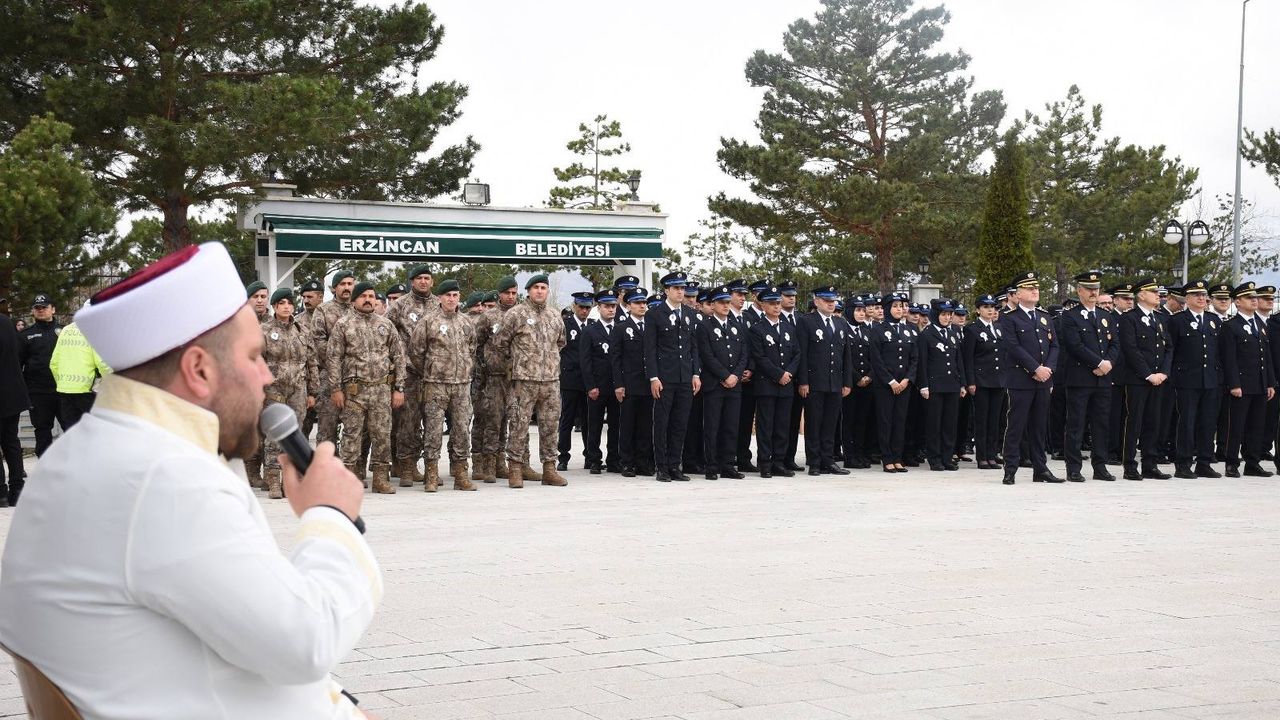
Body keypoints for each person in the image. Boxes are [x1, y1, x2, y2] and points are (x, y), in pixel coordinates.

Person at [0, 242, 381, 719]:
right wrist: (331, 516)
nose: (266, 376)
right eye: (254, 356)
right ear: (199, 369)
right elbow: (307, 642)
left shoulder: (88, 451)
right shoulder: (164, 479)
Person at [328, 281, 406, 494]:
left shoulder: (385, 324)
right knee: (351, 436)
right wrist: (336, 389)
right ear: (354, 300)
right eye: (363, 296)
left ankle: (380, 479)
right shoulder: (343, 325)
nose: (368, 300)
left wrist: (399, 388)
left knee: (382, 435)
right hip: (355, 391)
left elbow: (399, 357)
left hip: (381, 390)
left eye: (371, 296)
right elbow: (333, 358)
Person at [493, 274, 568, 487]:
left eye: (543, 287)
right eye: (536, 287)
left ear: (548, 291)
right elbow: (500, 343)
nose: (540, 291)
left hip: (550, 380)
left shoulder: (554, 315)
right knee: (519, 424)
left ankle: (549, 469)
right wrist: (519, 362)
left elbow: (561, 342)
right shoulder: (516, 314)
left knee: (550, 425)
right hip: (524, 381)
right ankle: (515, 469)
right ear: (528, 291)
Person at [410, 280, 479, 492]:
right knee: (433, 430)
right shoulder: (428, 321)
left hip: (461, 385)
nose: (451, 299)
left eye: (455, 295)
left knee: (461, 430)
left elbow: (472, 349)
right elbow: (416, 351)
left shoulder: (466, 322)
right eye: (447, 295)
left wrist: (464, 368)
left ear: (459, 298)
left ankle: (461, 474)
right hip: (436, 385)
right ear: (440, 297)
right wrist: (432, 369)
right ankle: (431, 475)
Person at [998, 272, 1061, 485]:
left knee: (1039, 426)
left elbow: (1054, 345)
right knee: (1016, 425)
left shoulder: (1045, 317)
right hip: (1021, 380)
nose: (1035, 291)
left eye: (1036, 288)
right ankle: (1010, 469)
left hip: (1043, 380)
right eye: (1029, 288)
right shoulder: (1009, 318)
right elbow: (1012, 346)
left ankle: (1040, 469)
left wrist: (1048, 368)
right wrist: (1035, 368)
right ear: (1017, 294)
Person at [1059, 271, 1119, 482]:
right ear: (1079, 291)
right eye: (1089, 289)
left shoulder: (1106, 316)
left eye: (1096, 289)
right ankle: (1073, 468)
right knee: (1076, 425)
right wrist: (1098, 363)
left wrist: (1108, 363)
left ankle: (1100, 466)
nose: (1094, 292)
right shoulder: (1070, 316)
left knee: (1101, 424)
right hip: (1080, 378)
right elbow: (1074, 345)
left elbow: (1115, 343)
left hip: (1103, 379)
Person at [260, 288, 319, 499]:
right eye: (281, 303)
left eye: (289, 303)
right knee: (273, 437)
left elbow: (311, 362)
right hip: (274, 390)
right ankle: (273, 480)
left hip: (297, 390)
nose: (286, 307)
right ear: (274, 306)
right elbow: (256, 360)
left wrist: (312, 391)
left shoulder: (302, 330)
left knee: (295, 435)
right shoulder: (264, 330)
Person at [384, 264, 440, 486]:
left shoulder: (439, 304)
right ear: (412, 281)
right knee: (408, 421)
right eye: (419, 278)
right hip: (409, 373)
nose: (423, 281)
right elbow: (385, 331)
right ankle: (406, 466)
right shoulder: (400, 305)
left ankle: (427, 466)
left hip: (435, 374)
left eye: (427, 278)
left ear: (432, 281)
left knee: (432, 421)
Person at [645, 271, 701, 483]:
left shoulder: (689, 313)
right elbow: (650, 349)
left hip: (685, 376)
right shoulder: (655, 314)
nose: (680, 292)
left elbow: (693, 347)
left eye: (682, 288)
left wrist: (695, 373)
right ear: (667, 290)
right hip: (665, 377)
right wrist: (653, 377)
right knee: (662, 423)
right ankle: (662, 467)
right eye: (676, 288)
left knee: (680, 423)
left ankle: (674, 465)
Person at [1167, 279, 1223, 478]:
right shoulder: (1177, 321)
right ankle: (1183, 464)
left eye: (1203, 295)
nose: (1201, 298)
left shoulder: (1213, 320)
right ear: (1187, 298)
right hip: (1186, 380)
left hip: (1210, 379)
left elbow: (1219, 352)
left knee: (1208, 422)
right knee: (1187, 422)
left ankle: (1204, 462)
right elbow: (1170, 350)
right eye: (1196, 295)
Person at [1118, 278, 1172, 481]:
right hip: (1138, 379)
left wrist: (1163, 373)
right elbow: (1131, 349)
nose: (1158, 295)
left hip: (1159, 379)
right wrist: (1148, 374)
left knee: (1153, 422)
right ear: (1141, 294)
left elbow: (1168, 347)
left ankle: (1150, 464)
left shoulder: (1160, 318)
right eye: (1153, 292)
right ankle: (1130, 465)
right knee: (1134, 422)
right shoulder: (1129, 318)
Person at [1220, 281, 1276, 477]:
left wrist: (1270, 382)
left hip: (1259, 384)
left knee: (1256, 426)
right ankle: (1231, 463)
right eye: (1249, 298)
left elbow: (1266, 357)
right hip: (1241, 385)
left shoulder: (1260, 324)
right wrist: (1234, 384)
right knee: (1236, 426)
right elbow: (1229, 358)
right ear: (1238, 302)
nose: (1254, 300)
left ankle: (1252, 463)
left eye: (1255, 297)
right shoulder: (1231, 326)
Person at [797, 285, 853, 475]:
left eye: (833, 301)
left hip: (835, 382)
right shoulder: (806, 321)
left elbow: (846, 355)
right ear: (817, 301)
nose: (831, 304)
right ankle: (814, 462)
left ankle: (828, 460)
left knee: (830, 423)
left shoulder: (840, 323)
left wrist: (847, 382)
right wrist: (803, 381)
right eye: (827, 301)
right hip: (814, 382)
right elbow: (803, 353)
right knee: (814, 423)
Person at [694, 285, 748, 480]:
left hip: (734, 385)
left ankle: (728, 465)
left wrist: (735, 375)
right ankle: (711, 465)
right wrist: (725, 376)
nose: (726, 306)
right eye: (721, 303)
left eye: (727, 302)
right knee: (712, 426)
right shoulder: (704, 326)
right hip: (714, 385)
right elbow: (707, 355)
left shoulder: (736, 325)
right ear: (713, 304)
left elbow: (743, 353)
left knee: (731, 426)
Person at [748, 285, 799, 478]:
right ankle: (765, 463)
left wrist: (789, 373)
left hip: (786, 385)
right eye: (772, 303)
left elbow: (797, 354)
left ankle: (779, 462)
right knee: (766, 426)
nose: (776, 307)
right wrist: (778, 374)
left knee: (782, 426)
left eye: (778, 303)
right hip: (767, 385)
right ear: (763, 305)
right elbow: (759, 357)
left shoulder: (788, 328)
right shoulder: (757, 329)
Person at [472, 276, 519, 483]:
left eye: (514, 293)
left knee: (513, 420)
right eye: (507, 293)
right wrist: (484, 366)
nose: (511, 296)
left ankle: (503, 462)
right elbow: (476, 344)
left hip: (518, 377)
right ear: (499, 294)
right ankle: (488, 464)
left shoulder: (522, 314)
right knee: (492, 420)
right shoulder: (488, 316)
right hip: (493, 377)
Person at [869, 291, 916, 473]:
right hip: (885, 385)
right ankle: (887, 458)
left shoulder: (909, 330)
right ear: (887, 308)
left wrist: (906, 380)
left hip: (904, 385)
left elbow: (914, 359)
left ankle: (897, 457)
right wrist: (891, 381)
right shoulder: (878, 330)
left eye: (901, 306)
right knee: (885, 421)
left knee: (900, 421)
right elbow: (876, 360)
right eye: (895, 306)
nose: (899, 309)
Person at [917, 298, 965, 472]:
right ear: (935, 315)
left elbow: (958, 360)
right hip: (934, 386)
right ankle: (935, 458)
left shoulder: (952, 334)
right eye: (943, 314)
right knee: (934, 424)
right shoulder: (926, 335)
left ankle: (947, 457)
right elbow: (922, 362)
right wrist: (923, 385)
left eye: (949, 314)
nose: (947, 318)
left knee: (950, 424)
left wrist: (962, 383)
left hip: (952, 384)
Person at [612, 287, 654, 477]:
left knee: (646, 425)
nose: (642, 306)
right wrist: (618, 384)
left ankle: (643, 462)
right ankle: (627, 463)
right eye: (637, 303)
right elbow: (615, 359)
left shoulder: (651, 327)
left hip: (648, 384)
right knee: (628, 426)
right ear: (628, 306)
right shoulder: (621, 327)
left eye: (644, 302)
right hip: (629, 384)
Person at [313, 270, 356, 448]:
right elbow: (318, 341)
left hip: (355, 377)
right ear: (334, 288)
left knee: (354, 429)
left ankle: (351, 463)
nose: (346, 288)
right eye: (342, 284)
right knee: (327, 428)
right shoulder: (323, 310)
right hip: (330, 378)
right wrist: (337, 361)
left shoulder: (359, 309)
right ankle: (325, 461)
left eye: (349, 284)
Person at [18, 293, 65, 457]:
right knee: (42, 430)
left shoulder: (66, 332)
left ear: (53, 309)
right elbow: (18, 364)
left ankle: (76, 465)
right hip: (38, 392)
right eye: (37, 308)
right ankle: (45, 466)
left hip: (64, 390)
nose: (41, 310)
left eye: (44, 307)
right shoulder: (25, 335)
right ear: (32, 311)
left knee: (72, 428)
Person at [580, 289, 621, 474]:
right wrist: (591, 386)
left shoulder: (620, 328)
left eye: (613, 306)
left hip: (616, 386)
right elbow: (585, 361)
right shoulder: (589, 331)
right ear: (599, 308)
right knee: (594, 425)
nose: (611, 309)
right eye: (607, 306)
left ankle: (613, 459)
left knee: (615, 425)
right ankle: (594, 459)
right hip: (598, 386)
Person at [963, 294, 1005, 471]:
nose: (990, 310)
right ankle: (982, 457)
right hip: (981, 380)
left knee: (994, 419)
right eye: (986, 307)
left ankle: (991, 454)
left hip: (998, 380)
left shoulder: (999, 327)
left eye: (992, 307)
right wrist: (970, 381)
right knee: (982, 419)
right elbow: (968, 358)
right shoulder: (972, 329)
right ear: (978, 310)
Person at [48, 320, 111, 429]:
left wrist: (62, 382)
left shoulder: (65, 330)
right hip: (88, 390)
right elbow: (102, 363)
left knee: (71, 429)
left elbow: (54, 363)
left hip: (65, 390)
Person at [557, 291, 595, 471]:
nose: (584, 311)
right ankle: (563, 456)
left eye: (588, 307)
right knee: (567, 419)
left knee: (588, 420)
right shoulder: (565, 324)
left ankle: (590, 455)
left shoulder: (593, 325)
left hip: (588, 381)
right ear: (574, 306)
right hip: (570, 379)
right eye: (581, 307)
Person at [840, 295, 874, 469]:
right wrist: (857, 378)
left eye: (863, 310)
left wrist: (869, 376)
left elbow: (875, 357)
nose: (861, 313)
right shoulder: (843, 329)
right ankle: (850, 455)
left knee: (862, 420)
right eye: (858, 310)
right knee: (849, 420)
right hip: (851, 383)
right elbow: (843, 358)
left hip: (867, 383)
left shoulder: (867, 330)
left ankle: (860, 453)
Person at [0, 309, 28, 507]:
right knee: (11, 441)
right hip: (13, 390)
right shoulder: (6, 322)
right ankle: (17, 489)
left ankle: (1, 493)